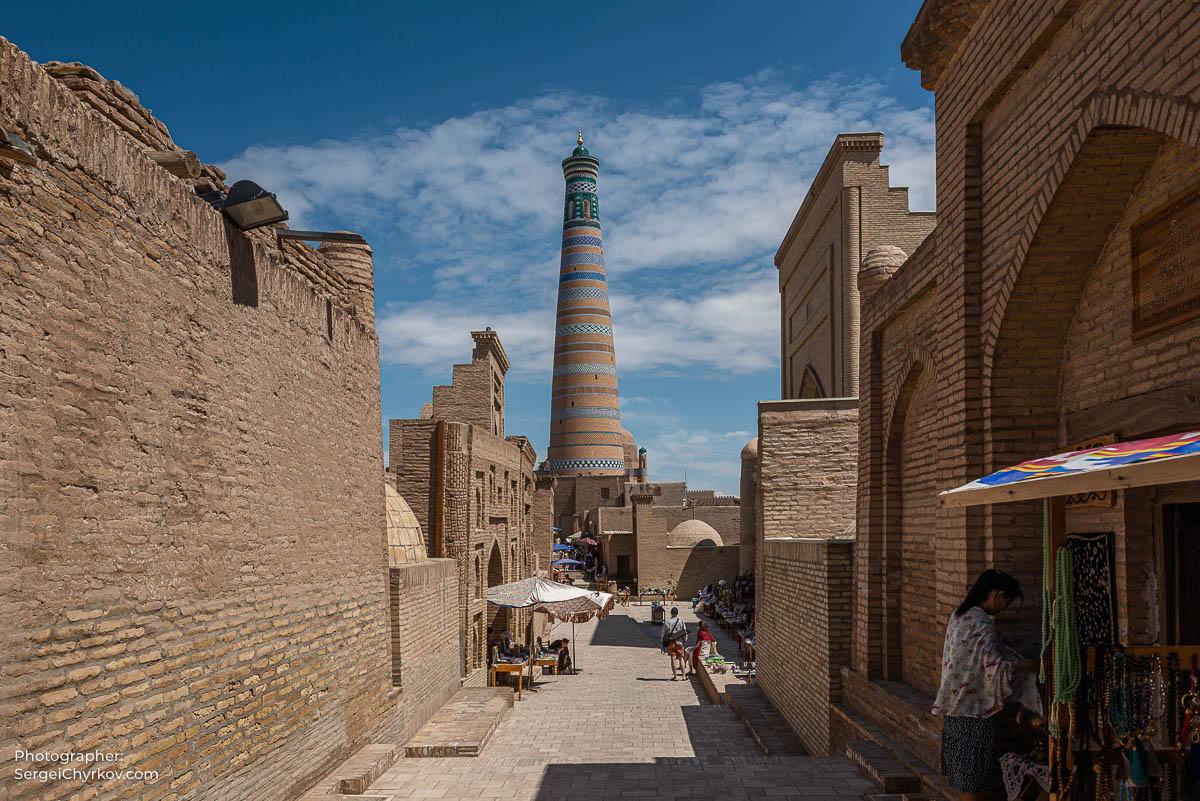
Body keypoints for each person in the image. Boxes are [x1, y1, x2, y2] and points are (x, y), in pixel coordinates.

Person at [932, 569, 1039, 801]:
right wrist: (1026, 665)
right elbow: (995, 671)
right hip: (976, 714)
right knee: (973, 781)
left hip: (955, 709)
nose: (1004, 609)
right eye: (1006, 603)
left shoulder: (959, 616)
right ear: (999, 595)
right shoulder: (984, 625)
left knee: (965, 780)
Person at [661, 607, 688, 680]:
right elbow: (685, 633)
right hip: (679, 643)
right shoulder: (681, 622)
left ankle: (675, 676)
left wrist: (663, 642)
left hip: (671, 643)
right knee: (681, 658)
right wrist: (684, 640)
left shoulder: (667, 622)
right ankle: (683, 676)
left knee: (673, 659)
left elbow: (663, 633)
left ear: (671, 613)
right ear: (677, 613)